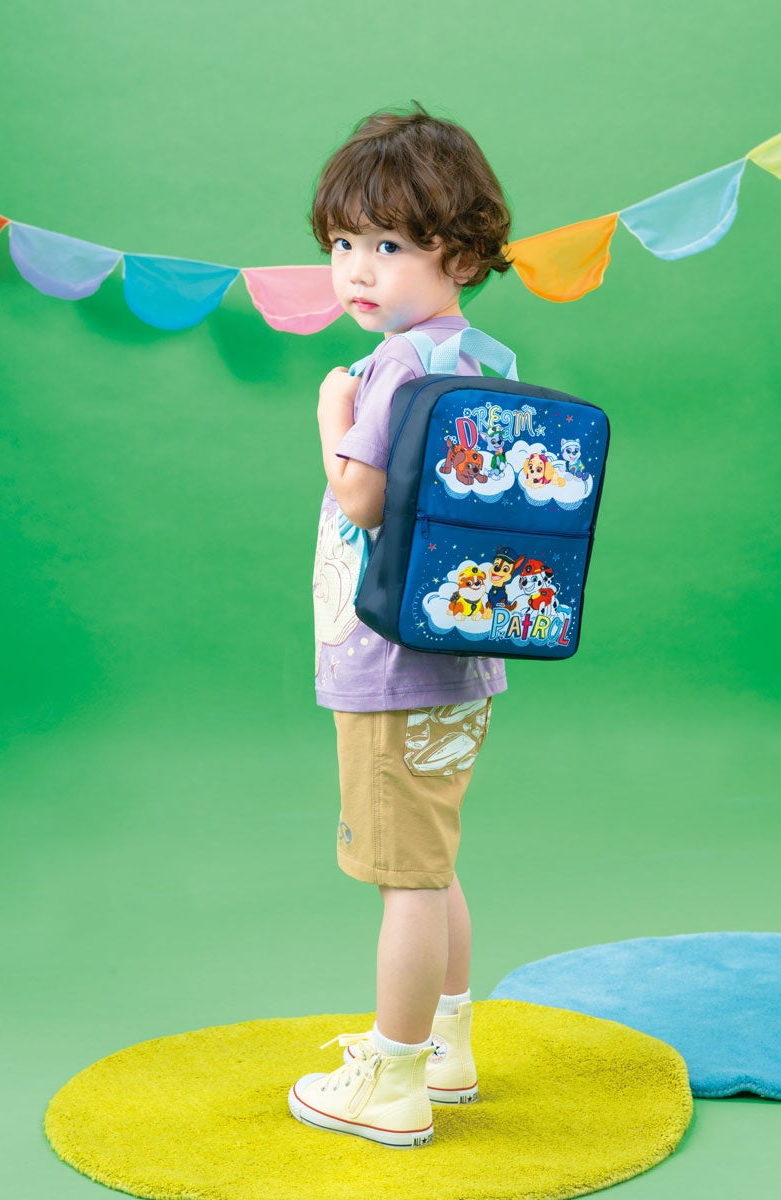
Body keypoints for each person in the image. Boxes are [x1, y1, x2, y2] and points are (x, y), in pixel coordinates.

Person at [288, 104, 512, 1149]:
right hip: (459, 655)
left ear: (458, 253)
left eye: (387, 245)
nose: (356, 270)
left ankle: (392, 1081)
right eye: (342, 244)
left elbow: (364, 497)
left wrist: (331, 419)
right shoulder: (480, 354)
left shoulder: (391, 369)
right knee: (431, 860)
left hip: (390, 665)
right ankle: (447, 1048)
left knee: (404, 880)